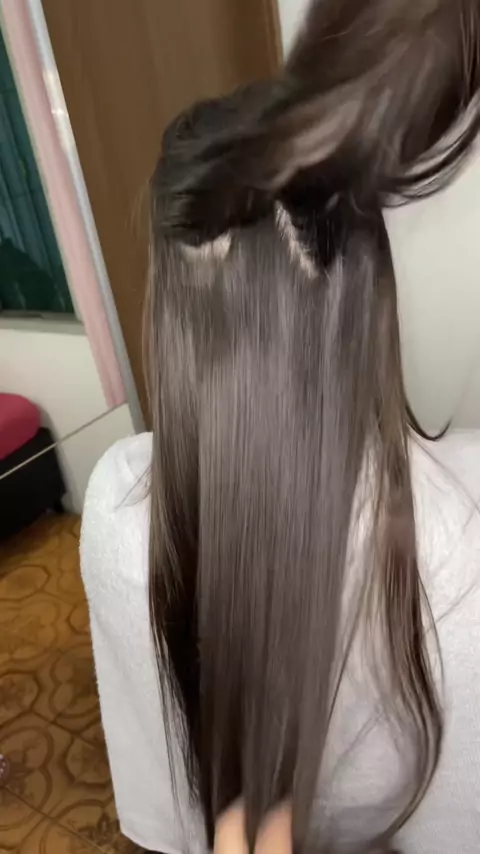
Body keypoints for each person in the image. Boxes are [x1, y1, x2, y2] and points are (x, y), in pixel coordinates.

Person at [81, 1, 480, 852]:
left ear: (173, 319)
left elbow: (164, 820)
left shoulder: (118, 508)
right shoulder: (456, 538)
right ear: (369, 297)